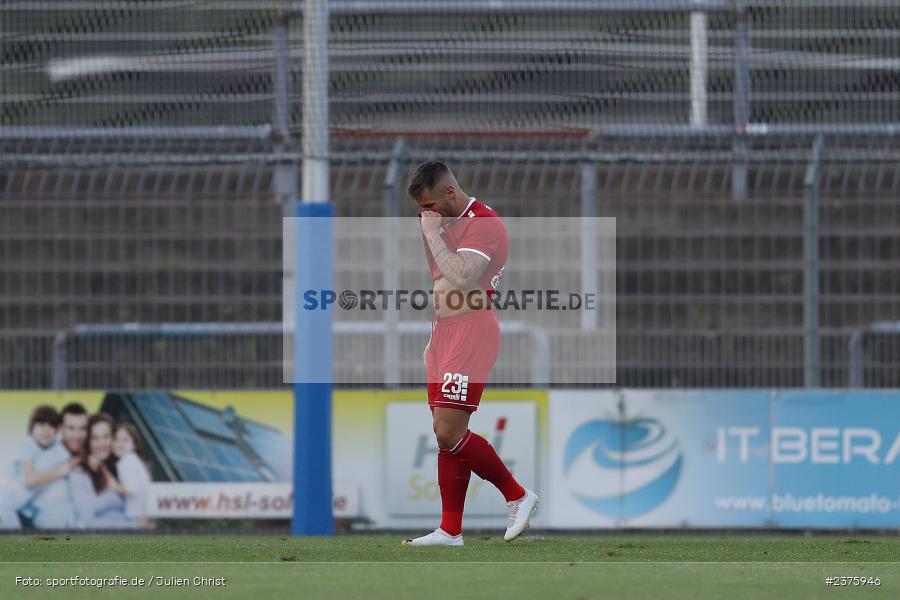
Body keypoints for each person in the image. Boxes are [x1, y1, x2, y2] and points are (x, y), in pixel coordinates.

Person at [402, 160, 538, 547]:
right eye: (421, 209)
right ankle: (450, 530)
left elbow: (463, 276)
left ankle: (517, 495)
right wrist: (434, 335)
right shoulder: (439, 221)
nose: (426, 215)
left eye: (430, 205)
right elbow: (441, 283)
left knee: (449, 430)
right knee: (443, 434)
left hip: (472, 330)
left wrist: (432, 234)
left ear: (449, 191)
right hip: (444, 332)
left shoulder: (484, 223)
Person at [0, 405, 78, 529]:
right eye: (41, 425)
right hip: (7, 508)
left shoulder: (53, 446)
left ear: (57, 430)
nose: (46, 431)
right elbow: (31, 480)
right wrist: (63, 470)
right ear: (32, 427)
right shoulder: (26, 446)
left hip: (27, 510)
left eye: (51, 426)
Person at [26, 402, 88, 529]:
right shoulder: (46, 459)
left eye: (82, 428)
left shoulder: (86, 455)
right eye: (71, 428)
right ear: (60, 429)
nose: (77, 435)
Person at [70, 413, 135, 529]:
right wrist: (133, 526)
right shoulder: (79, 474)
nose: (101, 443)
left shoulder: (120, 467)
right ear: (88, 442)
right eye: (95, 438)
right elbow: (89, 521)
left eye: (106, 436)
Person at [111, 423, 153, 528]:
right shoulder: (134, 460)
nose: (119, 444)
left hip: (134, 516)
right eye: (116, 439)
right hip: (141, 513)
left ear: (134, 444)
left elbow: (132, 490)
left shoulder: (126, 462)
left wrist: (112, 485)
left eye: (125, 440)